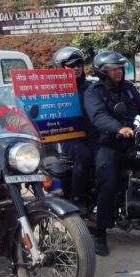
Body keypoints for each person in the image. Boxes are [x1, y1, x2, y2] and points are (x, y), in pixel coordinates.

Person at [84, 50, 140, 256]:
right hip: (106, 143)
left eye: (120, 68)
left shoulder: (128, 89)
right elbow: (98, 116)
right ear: (102, 72)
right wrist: (118, 128)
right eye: (113, 69)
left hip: (129, 140)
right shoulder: (94, 92)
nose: (118, 72)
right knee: (107, 182)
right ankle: (100, 234)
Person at [51, 47, 94, 214]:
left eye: (79, 65)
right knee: (84, 154)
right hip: (66, 136)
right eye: (71, 65)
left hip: (90, 134)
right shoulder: (53, 90)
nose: (76, 68)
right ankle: (77, 198)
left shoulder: (90, 87)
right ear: (60, 67)